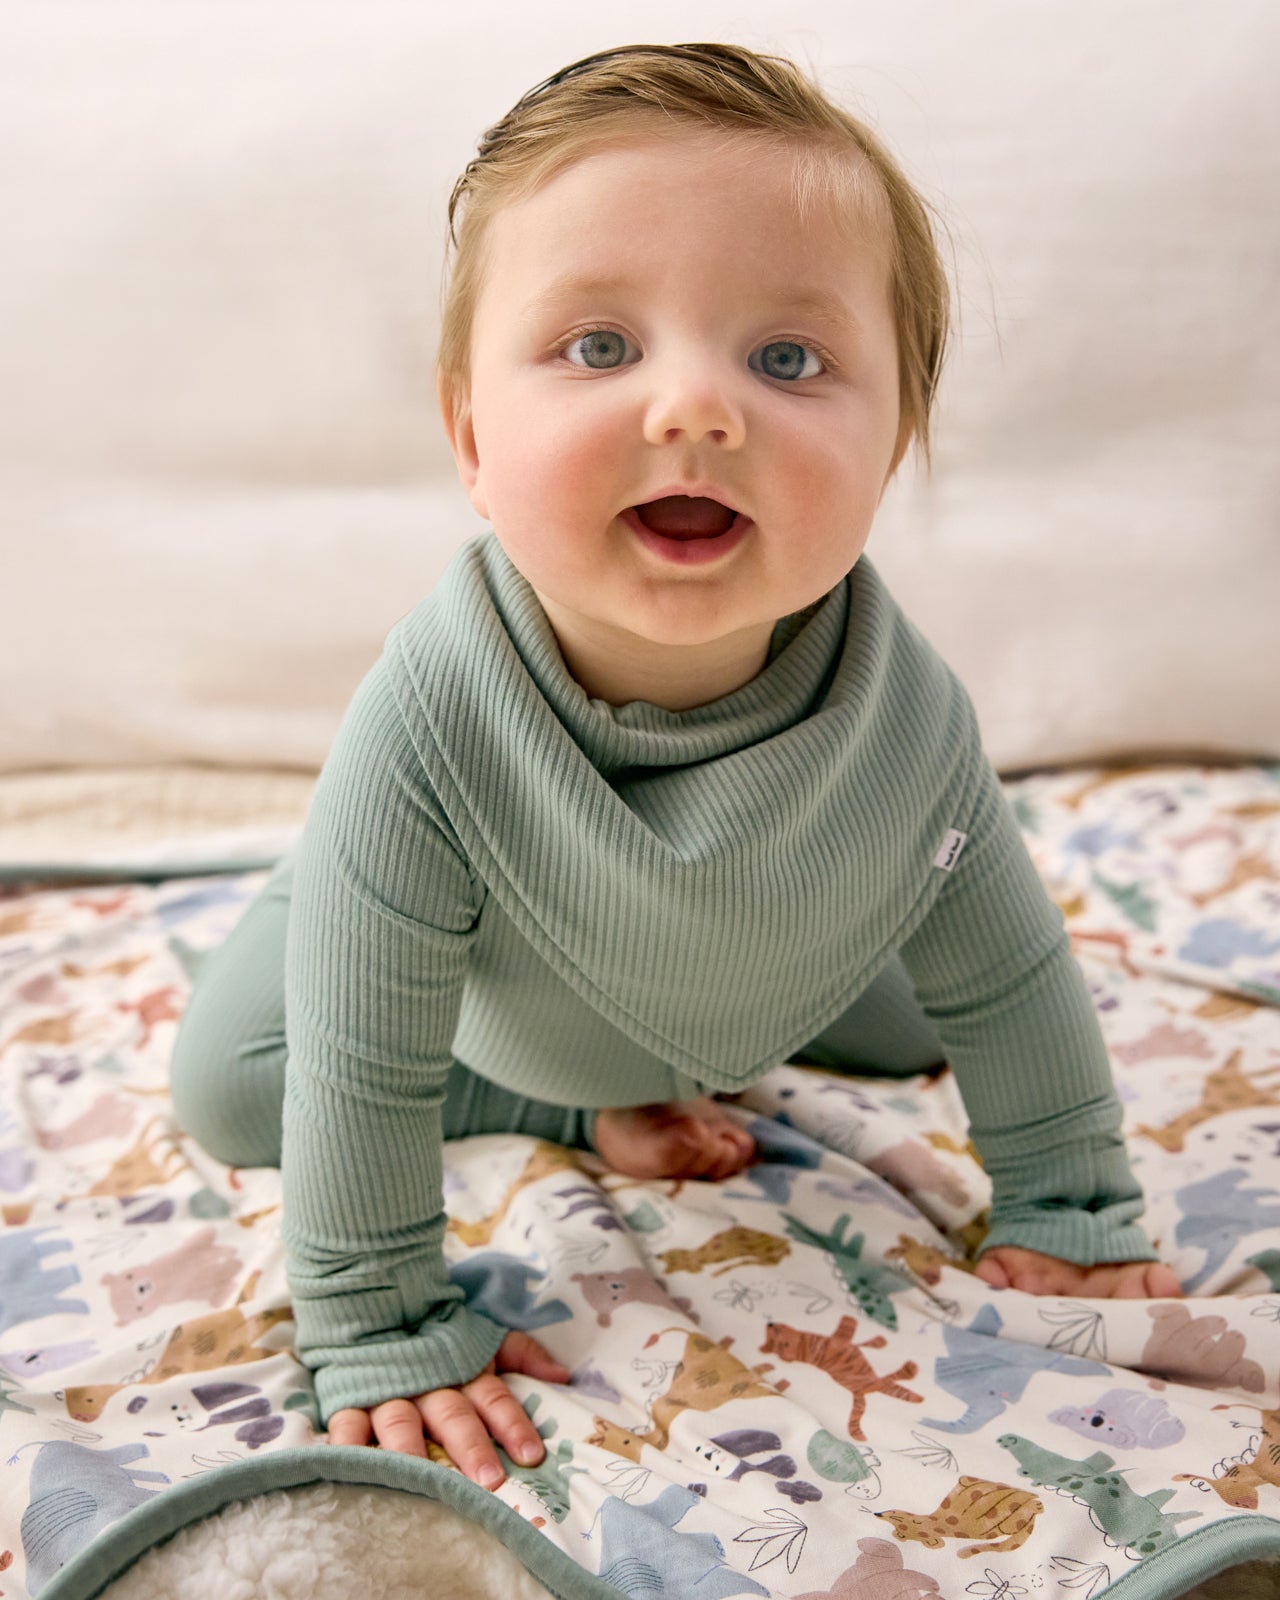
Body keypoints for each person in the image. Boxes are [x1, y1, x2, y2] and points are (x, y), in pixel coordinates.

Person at [169, 40, 1181, 1497]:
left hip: (744, 944)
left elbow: (1013, 974)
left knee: (919, 1026)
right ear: (470, 435)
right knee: (231, 1081)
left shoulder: (905, 722)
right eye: (598, 348)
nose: (695, 409)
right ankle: (578, 1106)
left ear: (893, 441)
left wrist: (1071, 1203)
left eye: (788, 358)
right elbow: (367, 1069)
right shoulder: (428, 726)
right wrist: (381, 1320)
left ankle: (687, 1053)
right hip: (472, 994)